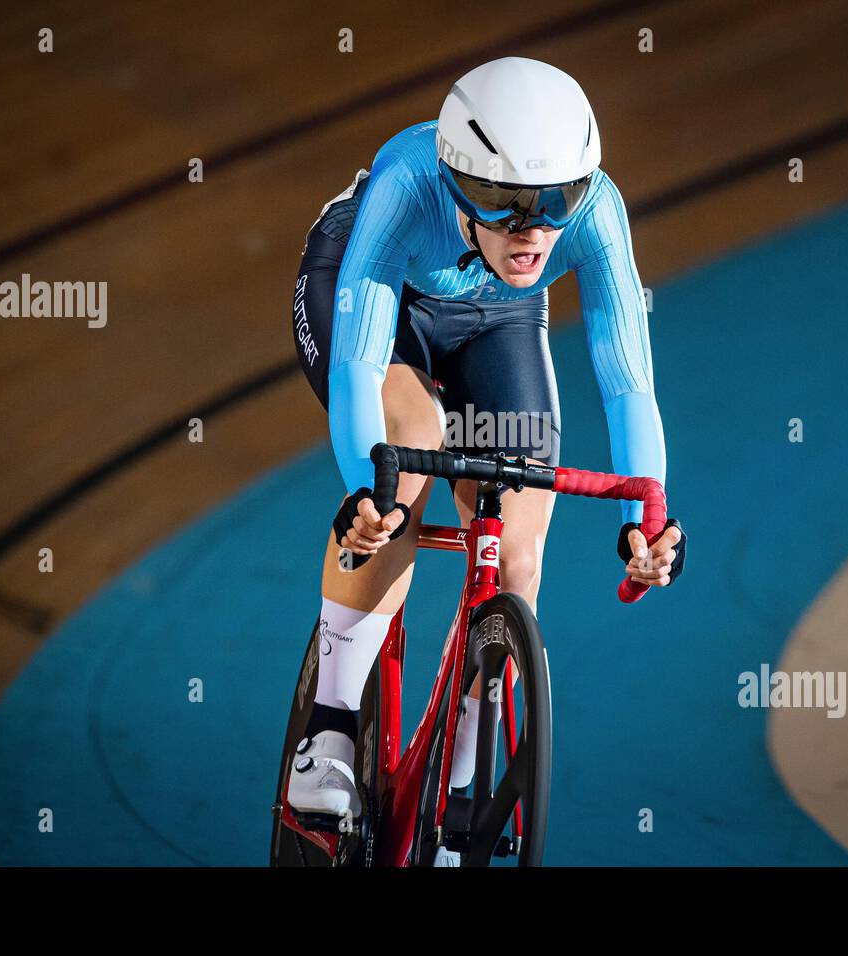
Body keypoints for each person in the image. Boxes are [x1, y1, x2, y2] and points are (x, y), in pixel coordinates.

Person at [286, 56, 686, 822]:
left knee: (521, 552)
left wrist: (647, 516)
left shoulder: (597, 213)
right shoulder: (409, 184)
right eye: (504, 202)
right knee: (410, 444)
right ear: (459, 183)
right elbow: (358, 362)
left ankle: (459, 784)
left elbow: (628, 380)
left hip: (497, 316)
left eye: (555, 201)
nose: (533, 226)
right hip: (375, 288)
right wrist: (367, 491)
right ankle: (330, 728)